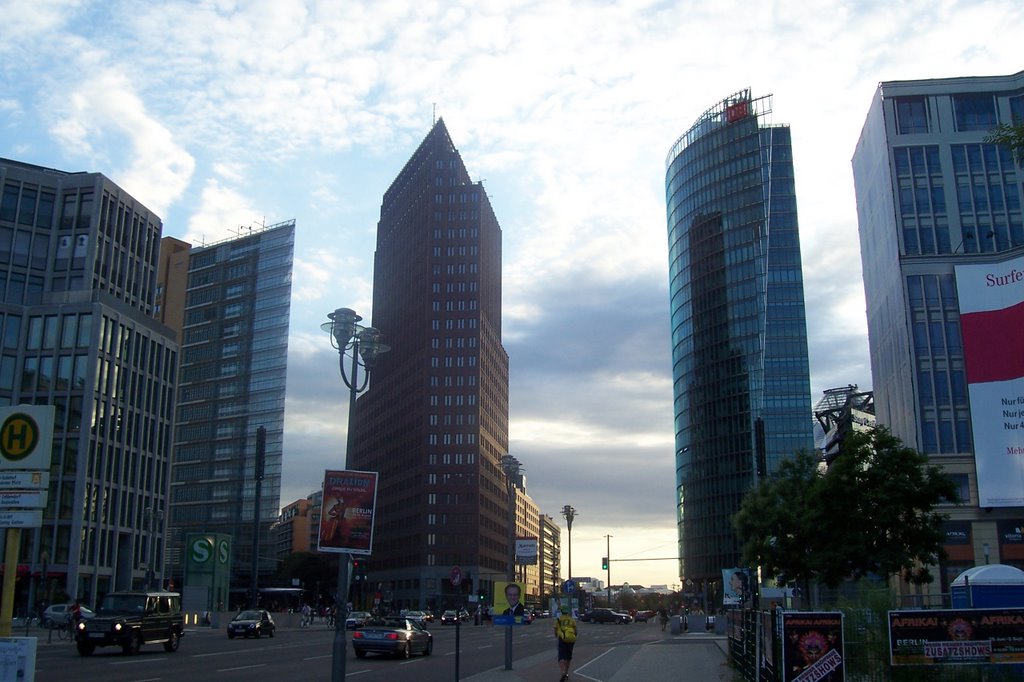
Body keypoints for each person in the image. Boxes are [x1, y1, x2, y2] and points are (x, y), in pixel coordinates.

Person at [554, 604, 577, 682]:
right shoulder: (571, 620)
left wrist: (556, 635)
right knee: (568, 657)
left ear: (561, 611)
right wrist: (574, 637)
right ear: (568, 611)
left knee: (561, 656)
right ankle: (566, 673)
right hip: (571, 639)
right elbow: (575, 630)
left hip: (562, 639)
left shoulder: (558, 620)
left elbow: (555, 630)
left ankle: (563, 672)